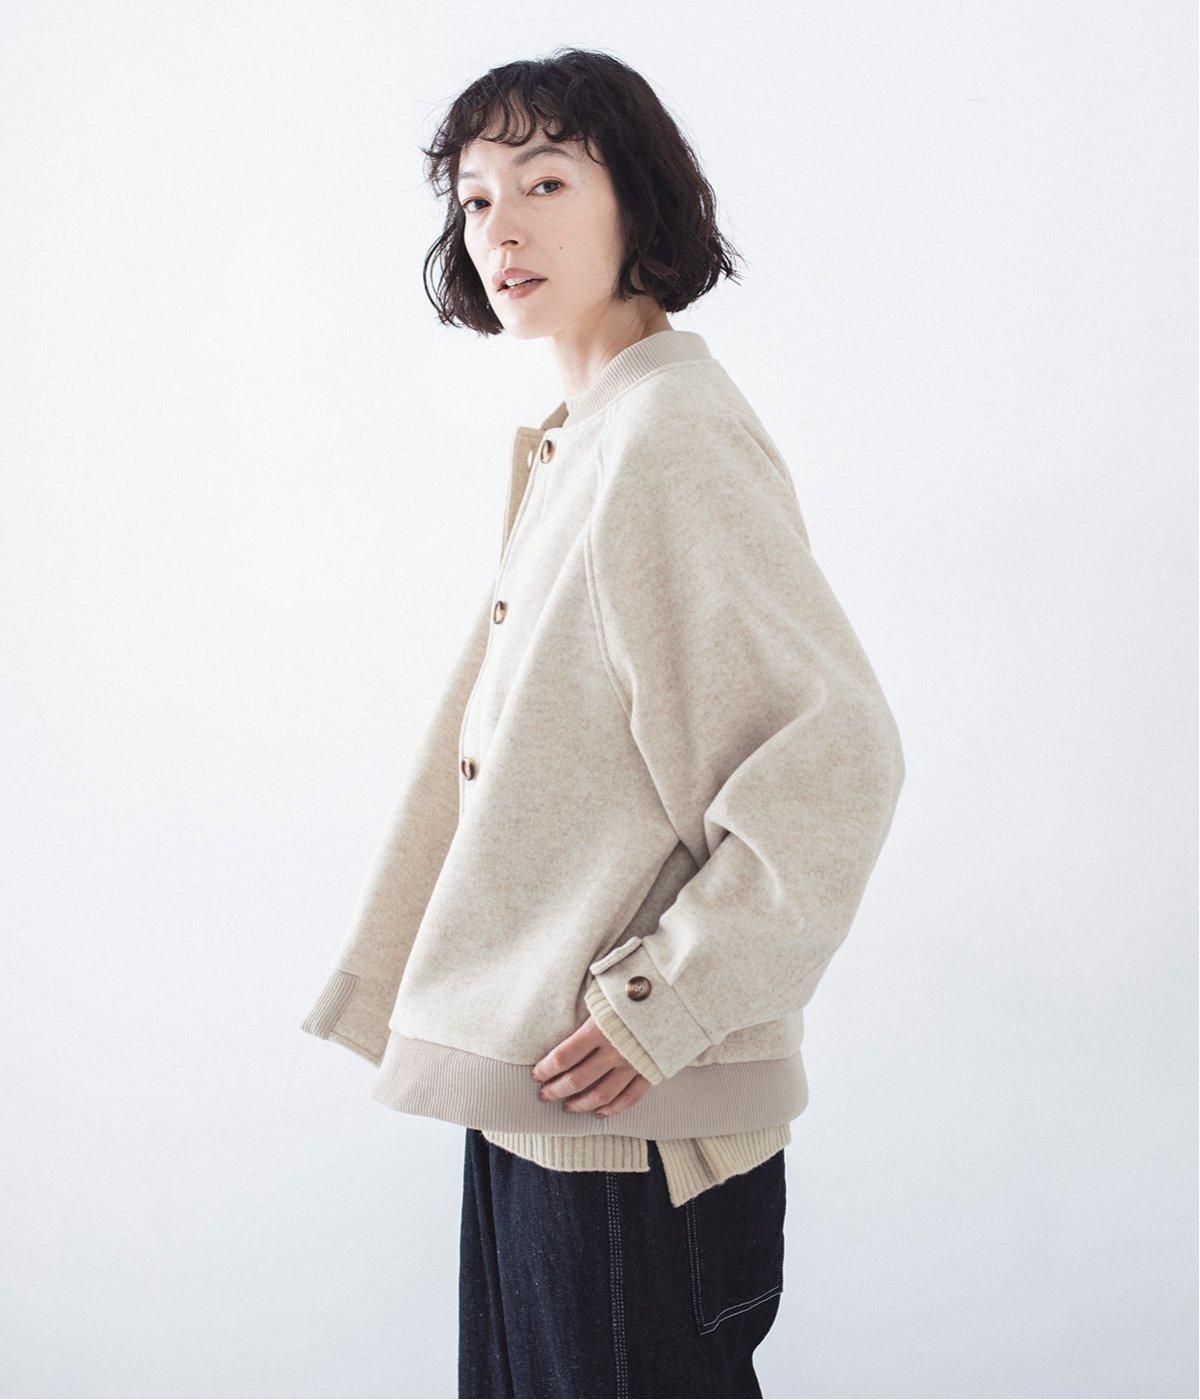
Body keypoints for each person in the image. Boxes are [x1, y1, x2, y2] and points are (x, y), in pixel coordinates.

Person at [302, 47, 905, 1400]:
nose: (499, 229)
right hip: (550, 1099)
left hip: (632, 1132)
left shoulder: (667, 440)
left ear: (637, 197)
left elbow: (838, 758)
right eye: (474, 199)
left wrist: (660, 1004)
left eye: (545, 183)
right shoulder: (593, 434)